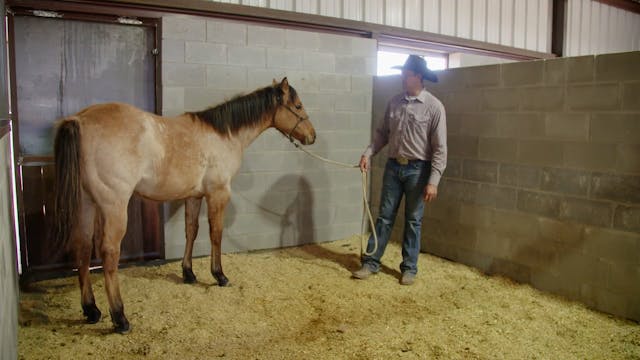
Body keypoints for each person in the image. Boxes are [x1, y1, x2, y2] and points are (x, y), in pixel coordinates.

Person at [352, 55, 447, 285]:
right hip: (394, 167)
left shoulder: (434, 107)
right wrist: (368, 153)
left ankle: (409, 268)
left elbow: (440, 148)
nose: (403, 76)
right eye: (403, 72)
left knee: (413, 220)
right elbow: (382, 134)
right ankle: (371, 262)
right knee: (384, 217)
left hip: (418, 169)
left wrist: (433, 181)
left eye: (408, 73)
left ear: (419, 76)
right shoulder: (394, 102)